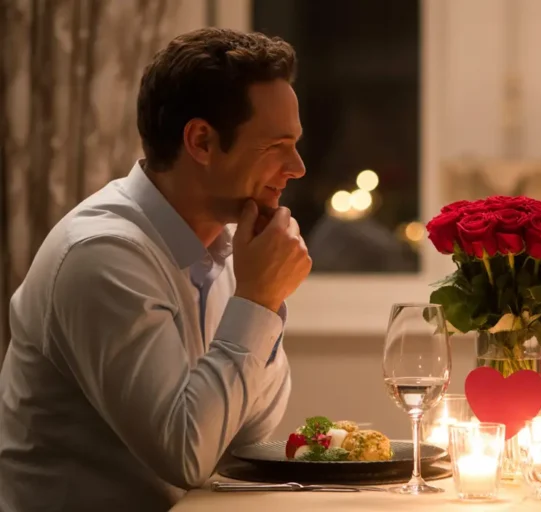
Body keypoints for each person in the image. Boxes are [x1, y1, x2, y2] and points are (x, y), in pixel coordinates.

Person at [0, 28, 310, 511]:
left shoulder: (226, 250)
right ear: (202, 141)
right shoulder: (102, 255)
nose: (297, 167)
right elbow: (185, 454)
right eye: (277, 146)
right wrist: (258, 302)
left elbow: (248, 432)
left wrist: (260, 301)